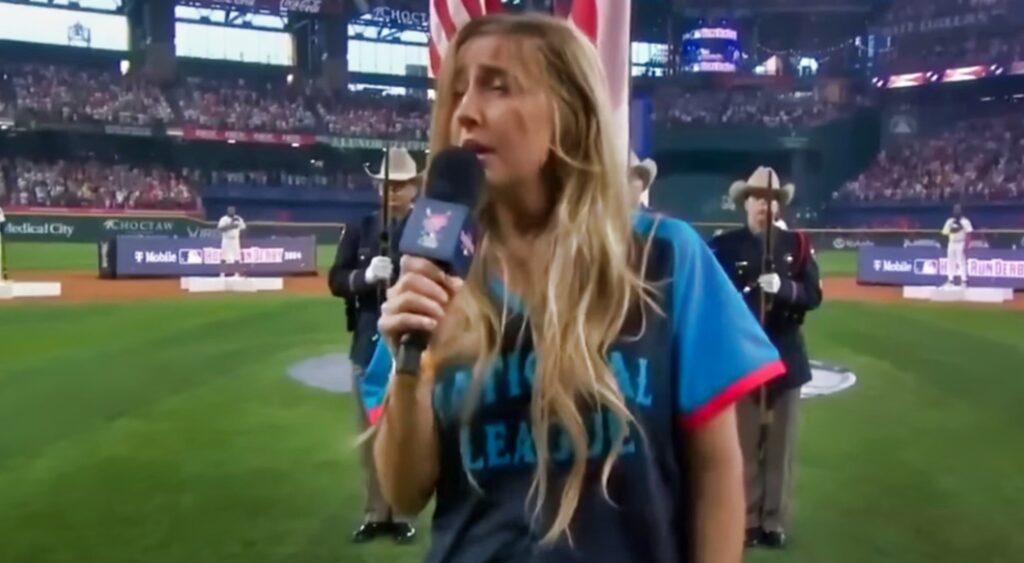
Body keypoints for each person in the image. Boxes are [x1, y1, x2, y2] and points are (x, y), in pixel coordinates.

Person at [363, 14, 786, 563]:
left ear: (567, 112)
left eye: (498, 85)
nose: (466, 110)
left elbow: (717, 469)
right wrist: (410, 368)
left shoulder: (664, 256)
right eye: (459, 89)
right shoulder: (438, 265)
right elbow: (404, 491)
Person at [709, 167, 822, 549]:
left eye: (772, 200)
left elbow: (813, 295)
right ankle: (749, 520)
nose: (766, 206)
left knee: (780, 449)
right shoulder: (725, 246)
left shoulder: (799, 245)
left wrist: (786, 288)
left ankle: (775, 521)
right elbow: (712, 300)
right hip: (743, 363)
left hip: (786, 361)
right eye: (759, 199)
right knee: (744, 445)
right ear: (746, 203)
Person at [327, 147, 420, 544]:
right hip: (367, 344)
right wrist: (364, 278)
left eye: (400, 185)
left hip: (412, 347)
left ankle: (401, 511)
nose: (393, 192)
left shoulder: (427, 230)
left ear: (415, 187)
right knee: (369, 434)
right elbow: (336, 279)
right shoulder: (360, 227)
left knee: (405, 434)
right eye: (387, 185)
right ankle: (375, 512)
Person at [942, 203, 973, 286]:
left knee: (961, 261)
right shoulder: (950, 221)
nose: (956, 213)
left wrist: (967, 245)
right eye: (955, 211)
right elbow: (944, 232)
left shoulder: (965, 221)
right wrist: (953, 229)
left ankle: (964, 280)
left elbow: (969, 233)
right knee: (950, 261)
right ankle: (950, 280)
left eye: (958, 211)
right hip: (951, 243)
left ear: (961, 212)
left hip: (961, 242)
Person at [216, 206, 246, 278]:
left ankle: (237, 273)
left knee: (237, 257)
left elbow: (244, 227)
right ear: (227, 211)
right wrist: (230, 226)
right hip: (226, 239)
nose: (231, 211)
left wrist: (238, 231)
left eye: (233, 210)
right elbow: (220, 228)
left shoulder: (238, 218)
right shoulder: (224, 219)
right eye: (230, 210)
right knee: (223, 257)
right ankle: (222, 273)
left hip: (235, 239)